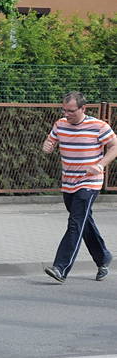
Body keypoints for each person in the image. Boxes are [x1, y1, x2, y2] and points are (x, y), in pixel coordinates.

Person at [42, 91, 116, 283]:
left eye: (71, 111)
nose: (67, 114)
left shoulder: (98, 126)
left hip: (90, 182)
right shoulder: (60, 124)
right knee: (84, 221)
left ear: (83, 108)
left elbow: (114, 146)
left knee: (75, 223)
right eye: (64, 110)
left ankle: (60, 267)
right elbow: (51, 140)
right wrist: (48, 145)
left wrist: (100, 165)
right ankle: (103, 257)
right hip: (68, 182)